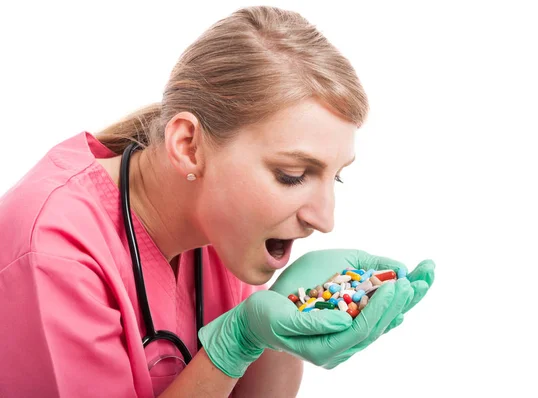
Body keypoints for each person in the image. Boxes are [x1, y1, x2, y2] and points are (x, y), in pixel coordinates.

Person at [0, 5, 435, 398]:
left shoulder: (224, 229)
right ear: (188, 146)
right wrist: (235, 342)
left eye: (335, 176)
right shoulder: (55, 253)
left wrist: (282, 326)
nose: (325, 220)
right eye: (293, 175)